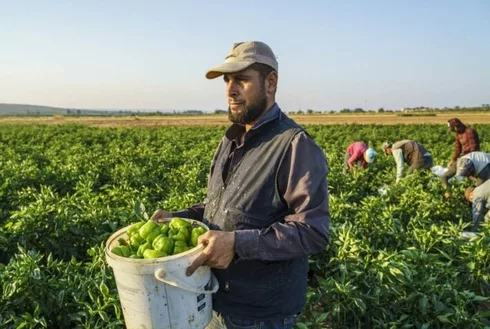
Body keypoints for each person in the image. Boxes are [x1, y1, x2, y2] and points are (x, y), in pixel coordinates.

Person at [151, 41, 330, 329]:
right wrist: (180, 218)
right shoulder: (231, 139)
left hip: (260, 316)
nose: (230, 90)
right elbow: (221, 206)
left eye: (242, 80)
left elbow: (313, 232)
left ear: (270, 83)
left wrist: (237, 243)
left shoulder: (294, 145)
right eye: (227, 80)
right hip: (213, 299)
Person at [441, 118, 480, 197]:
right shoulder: (458, 135)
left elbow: (474, 147)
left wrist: (467, 161)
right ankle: (448, 193)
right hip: (463, 159)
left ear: (456, 126)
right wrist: (453, 160)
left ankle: (474, 195)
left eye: (453, 129)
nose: (453, 131)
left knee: (474, 179)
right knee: (444, 176)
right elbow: (458, 149)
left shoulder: (469, 131)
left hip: (472, 158)